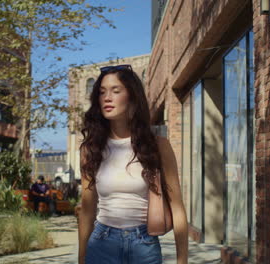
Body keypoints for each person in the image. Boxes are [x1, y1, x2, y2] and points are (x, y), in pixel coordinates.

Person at [78, 64, 189, 264]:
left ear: (132, 97)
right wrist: (82, 256)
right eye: (102, 92)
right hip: (102, 244)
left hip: (144, 245)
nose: (107, 98)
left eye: (116, 90)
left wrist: (182, 260)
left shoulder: (157, 146)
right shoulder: (91, 149)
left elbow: (177, 207)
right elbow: (87, 209)